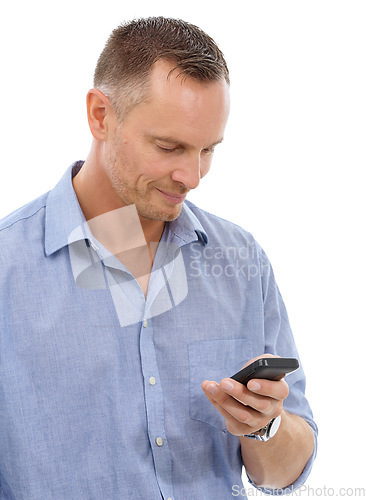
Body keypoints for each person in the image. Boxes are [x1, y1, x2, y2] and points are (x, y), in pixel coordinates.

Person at [0, 17, 317, 500]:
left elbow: (285, 474)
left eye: (208, 149)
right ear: (100, 115)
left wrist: (265, 428)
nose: (191, 176)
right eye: (169, 147)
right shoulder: (8, 271)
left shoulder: (241, 260)